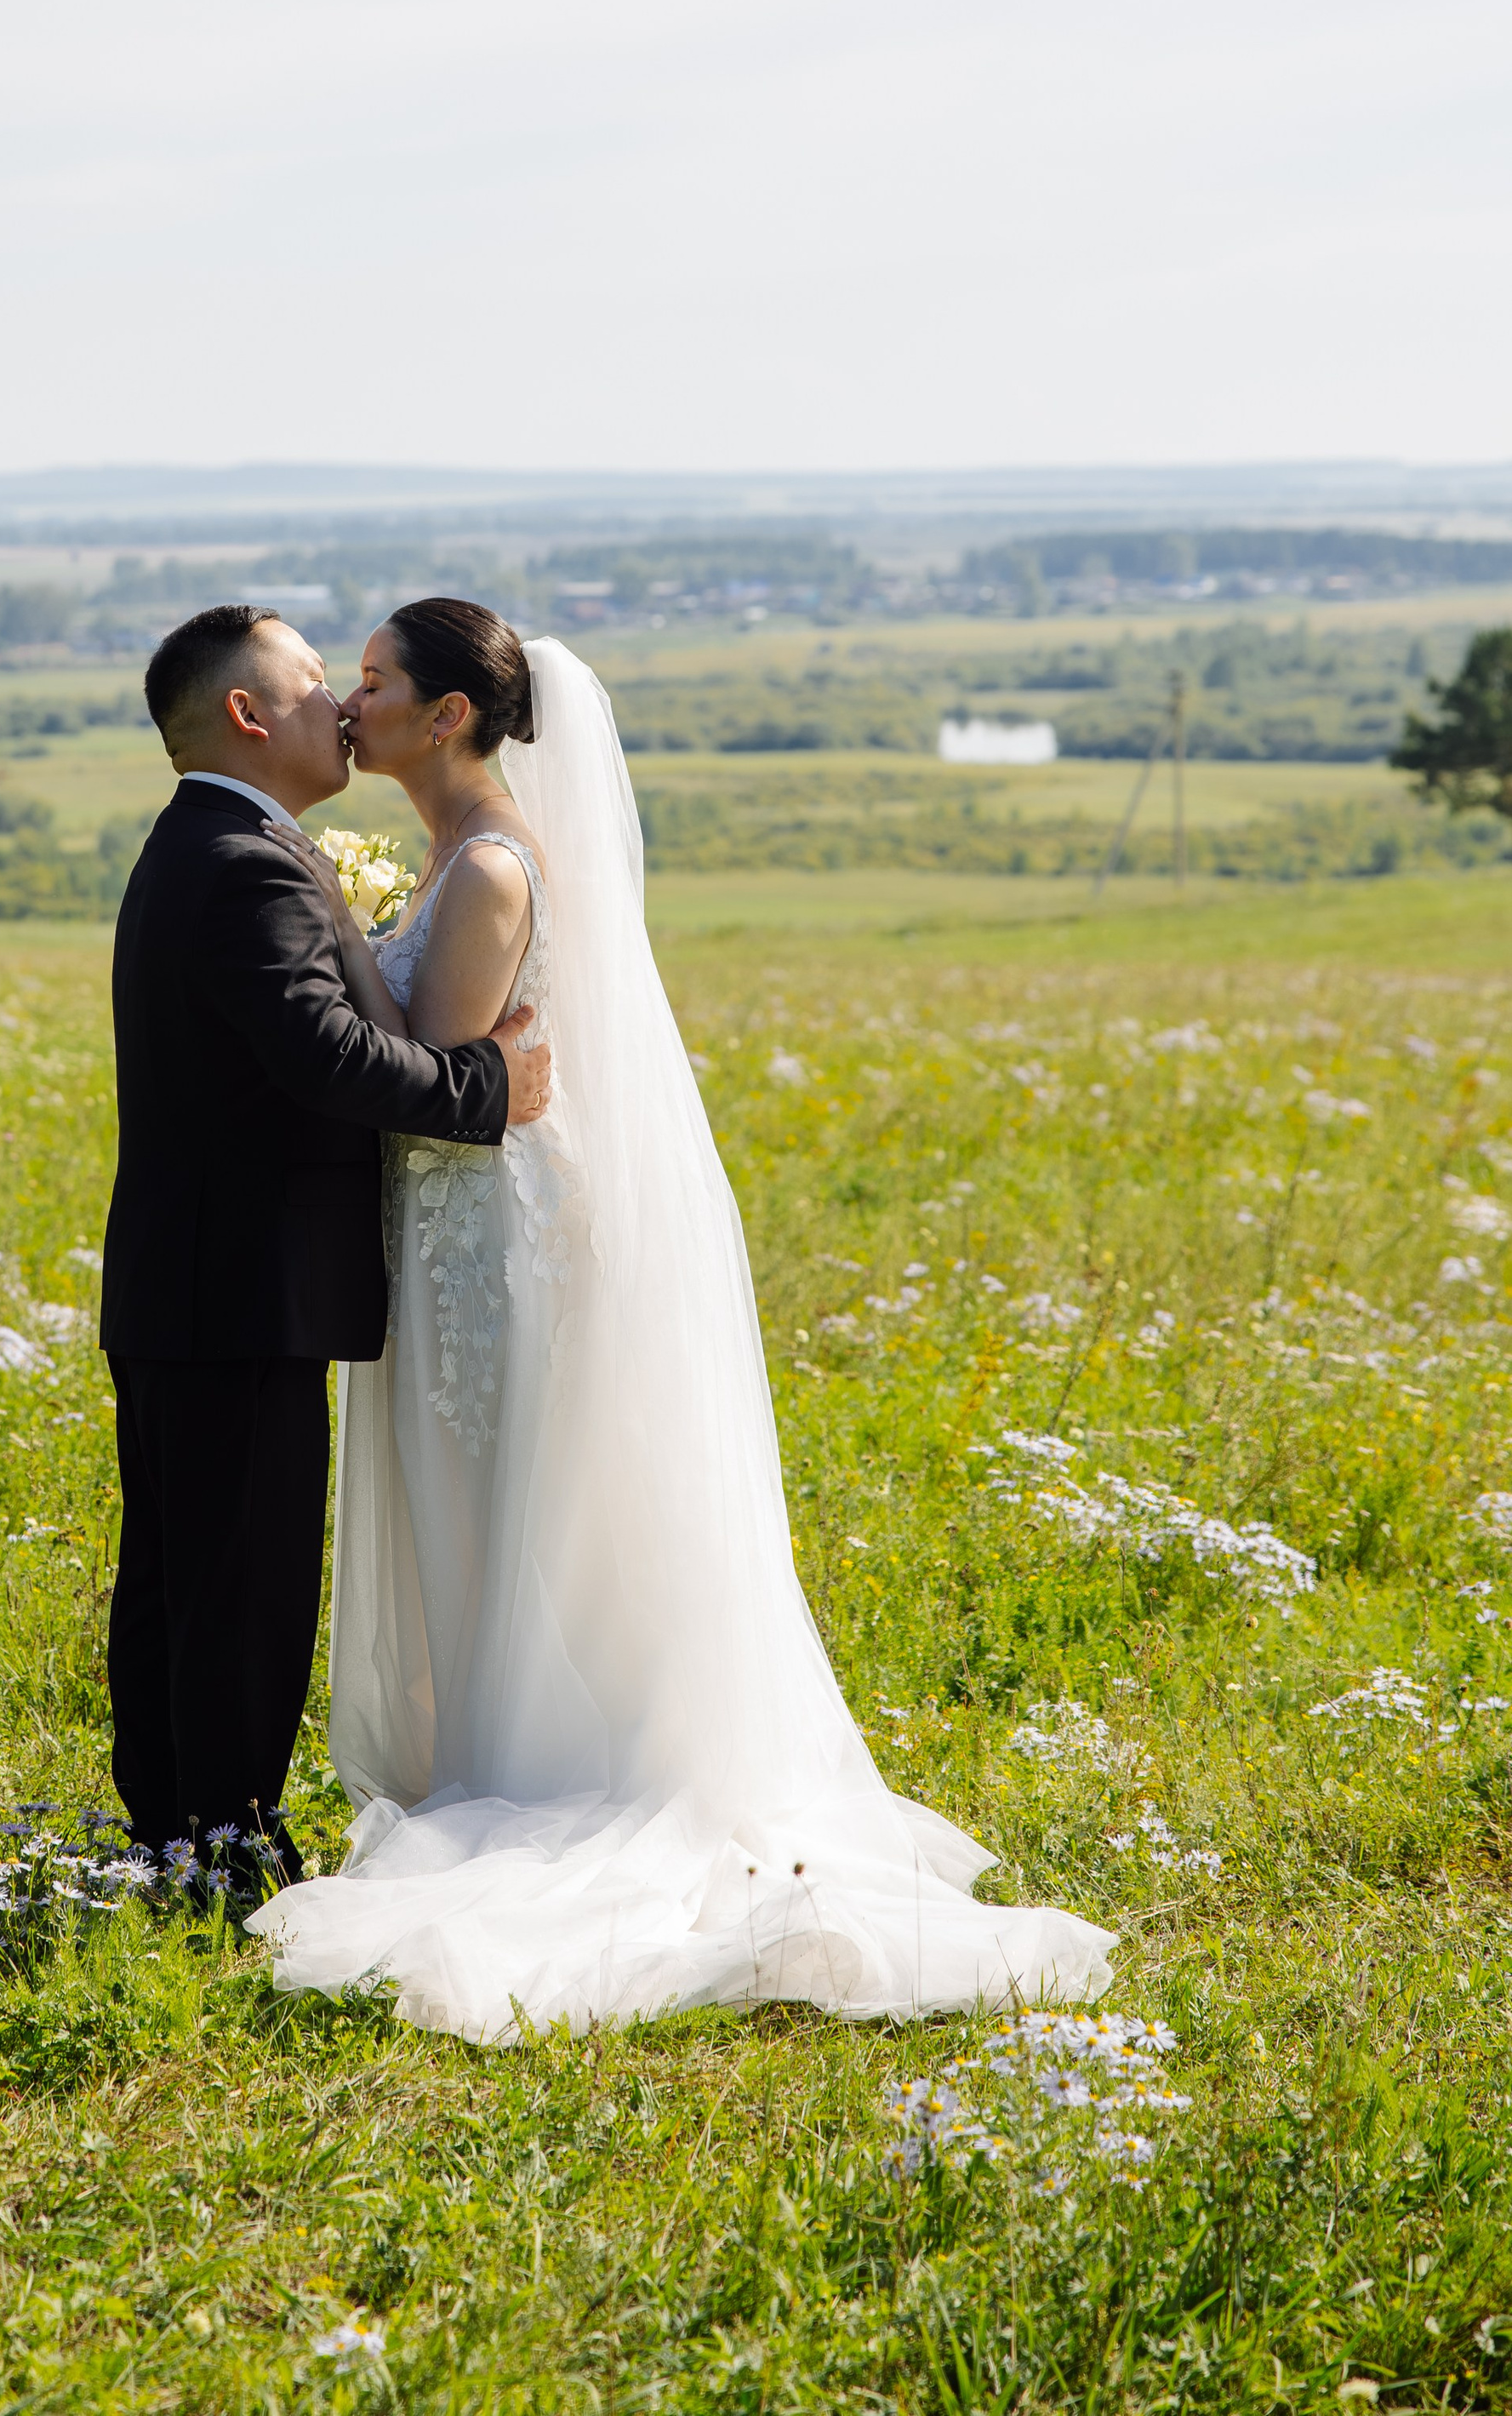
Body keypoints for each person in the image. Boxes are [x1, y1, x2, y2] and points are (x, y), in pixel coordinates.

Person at [248, 602, 1115, 2037]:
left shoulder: (488, 871)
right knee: (480, 1496)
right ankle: (485, 1746)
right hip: (459, 1232)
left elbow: (436, 1073)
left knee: (503, 1495)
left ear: (450, 716)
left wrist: (330, 982)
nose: (354, 702)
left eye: (380, 680)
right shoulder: (463, 852)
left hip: (489, 1242)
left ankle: (535, 1772)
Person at [100, 603, 553, 1885]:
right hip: (238, 1291)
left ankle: (182, 1833)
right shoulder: (239, 859)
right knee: (233, 1582)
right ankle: (223, 1845)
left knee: (194, 1575)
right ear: (249, 715)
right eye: (316, 685)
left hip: (208, 1287)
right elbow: (322, 1055)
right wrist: (485, 1090)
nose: (341, 708)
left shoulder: (224, 845)